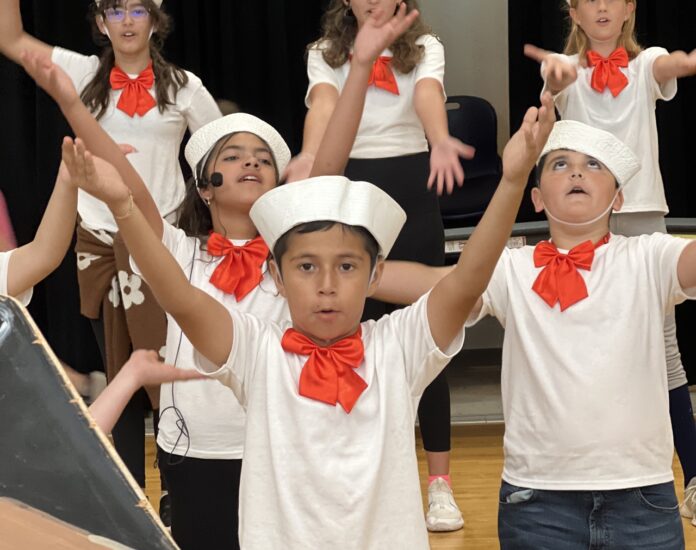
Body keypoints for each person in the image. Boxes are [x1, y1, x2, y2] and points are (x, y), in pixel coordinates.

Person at [63, 10, 555, 549]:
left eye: (345, 267)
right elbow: (166, 271)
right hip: (200, 449)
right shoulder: (236, 318)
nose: (324, 282)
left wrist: (508, 181)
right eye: (233, 157)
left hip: (273, 448)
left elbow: (459, 281)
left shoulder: (332, 286)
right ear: (204, 184)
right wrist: (82, 129)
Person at [0, 0, 222, 500]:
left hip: (161, 245)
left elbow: (218, 150)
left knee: (168, 376)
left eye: (137, 9)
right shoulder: (81, 72)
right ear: (101, 22)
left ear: (155, 19)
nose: (126, 20)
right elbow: (12, 40)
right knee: (120, 370)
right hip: (98, 247)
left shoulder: (185, 86)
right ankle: (128, 497)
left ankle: (176, 491)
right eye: (115, 10)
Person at [286, 0, 475, 529]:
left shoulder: (424, 47)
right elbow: (323, 105)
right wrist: (309, 155)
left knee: (427, 331)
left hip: (413, 187)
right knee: (351, 333)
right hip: (349, 185)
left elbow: (428, 94)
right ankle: (353, 474)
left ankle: (439, 483)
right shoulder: (324, 53)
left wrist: (439, 140)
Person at [524, 0, 696, 522]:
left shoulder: (646, 65)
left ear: (629, 9)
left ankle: (692, 476)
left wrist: (686, 62)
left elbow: (667, 67)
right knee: (584, 336)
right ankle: (587, 469)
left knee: (665, 352)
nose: (602, 6)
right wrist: (552, 80)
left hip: (642, 217)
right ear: (573, 12)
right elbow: (550, 93)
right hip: (585, 223)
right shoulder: (566, 66)